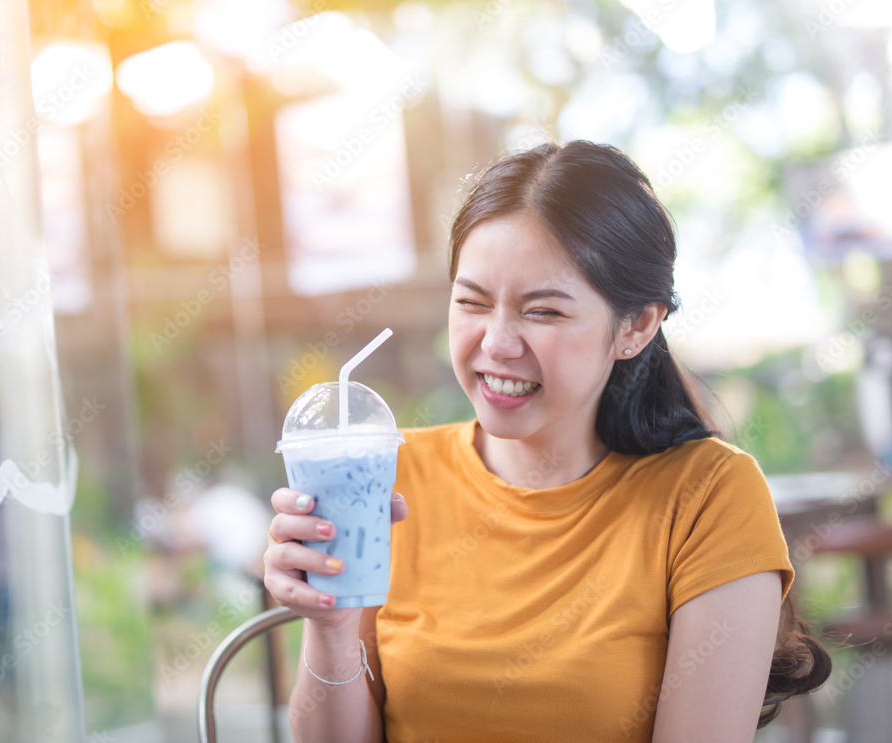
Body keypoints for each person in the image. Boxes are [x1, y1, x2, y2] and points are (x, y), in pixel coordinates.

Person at [263, 140, 831, 742]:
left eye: (544, 312)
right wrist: (330, 628)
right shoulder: (389, 476)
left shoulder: (706, 497)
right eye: (472, 302)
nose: (498, 342)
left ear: (636, 326)